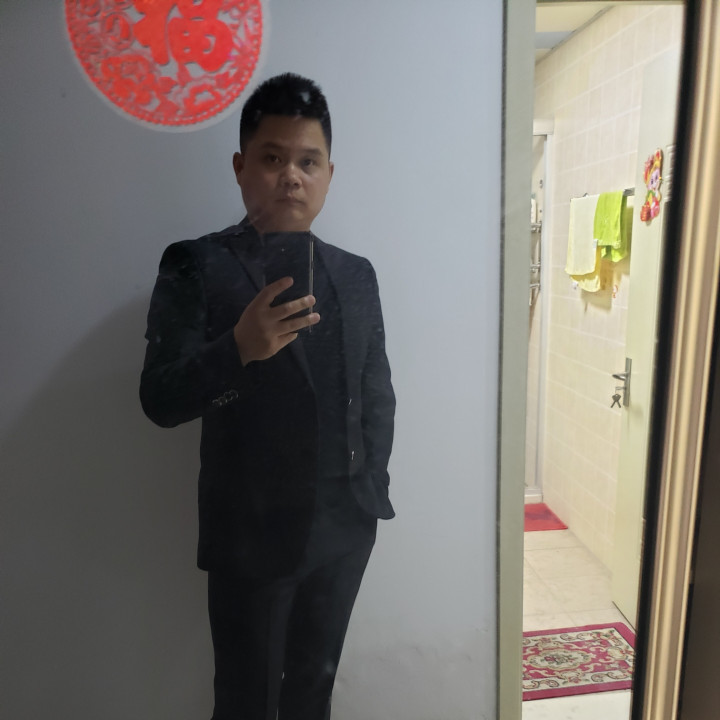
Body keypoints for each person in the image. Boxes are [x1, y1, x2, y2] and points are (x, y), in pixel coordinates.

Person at [140, 73, 395, 720]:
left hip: (344, 529)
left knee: (313, 694)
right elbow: (160, 398)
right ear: (240, 167)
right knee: (244, 703)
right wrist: (238, 349)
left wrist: (371, 491)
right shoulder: (195, 263)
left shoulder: (356, 275)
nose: (291, 178)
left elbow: (377, 391)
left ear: (329, 175)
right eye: (273, 158)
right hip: (250, 536)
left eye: (309, 162)